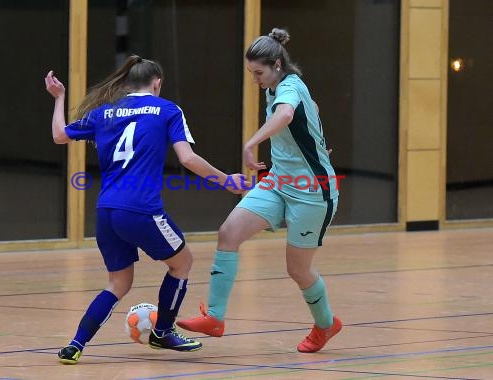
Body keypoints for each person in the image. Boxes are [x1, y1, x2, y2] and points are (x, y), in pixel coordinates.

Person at [44, 55, 245, 364]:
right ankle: (162, 332)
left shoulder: (105, 112)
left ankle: (75, 344)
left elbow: (60, 135)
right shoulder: (167, 110)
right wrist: (226, 180)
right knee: (182, 263)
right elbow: (188, 159)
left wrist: (59, 99)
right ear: (157, 83)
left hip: (106, 211)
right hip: (140, 209)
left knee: (118, 283)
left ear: (127, 84)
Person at [177, 28, 342, 353]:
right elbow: (309, 111)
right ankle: (215, 317)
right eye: (251, 73)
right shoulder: (276, 87)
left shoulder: (291, 87)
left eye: (259, 73)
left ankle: (326, 324)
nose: (255, 79)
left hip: (313, 191)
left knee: (297, 270)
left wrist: (252, 141)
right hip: (279, 182)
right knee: (228, 233)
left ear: (277, 64)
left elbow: (286, 114)